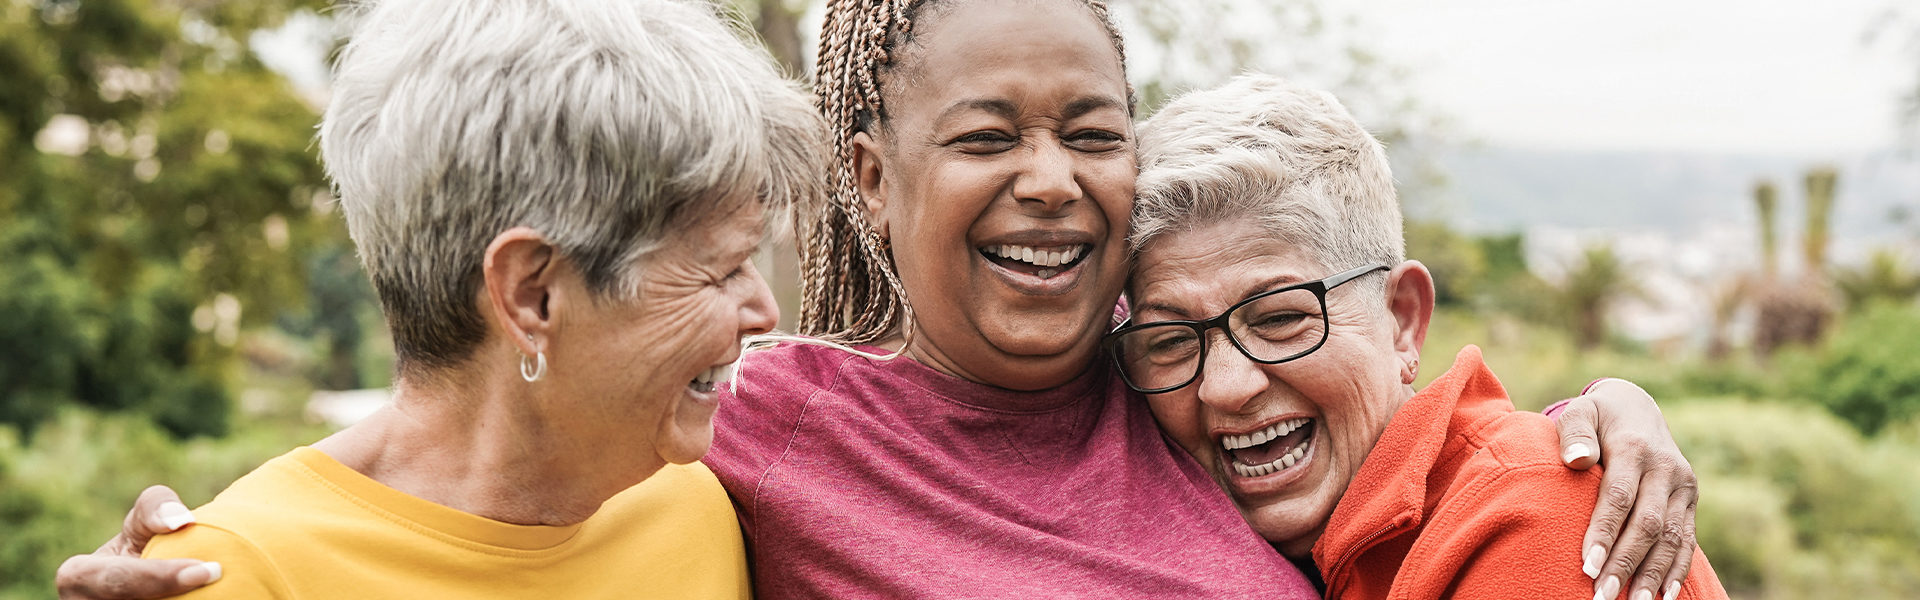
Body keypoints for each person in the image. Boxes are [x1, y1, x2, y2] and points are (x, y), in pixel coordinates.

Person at [59, 0, 1701, 598]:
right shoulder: (753, 422)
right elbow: (483, 431)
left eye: (1093, 132)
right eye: (984, 136)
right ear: (866, 181)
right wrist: (213, 548)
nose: (1053, 181)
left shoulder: (1186, 397)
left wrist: (1585, 427)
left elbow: (1401, 456)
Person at [63, 0, 823, 597]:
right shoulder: (242, 575)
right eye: (722, 270)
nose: (764, 312)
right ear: (532, 296)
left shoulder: (701, 501)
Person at [1111, 73, 1724, 600]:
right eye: (1171, 341)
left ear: (1403, 319)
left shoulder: (1538, 524)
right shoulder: (1295, 534)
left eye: (1278, 319)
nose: (1225, 387)